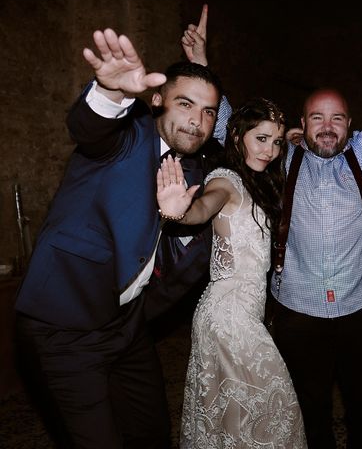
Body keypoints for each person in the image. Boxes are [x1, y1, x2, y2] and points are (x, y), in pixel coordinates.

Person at [182, 0, 362, 447]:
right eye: (316, 118)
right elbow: (236, 126)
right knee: (309, 417)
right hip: (297, 313)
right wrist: (203, 64)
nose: (327, 126)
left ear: (350, 125)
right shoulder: (282, 157)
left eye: (336, 118)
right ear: (303, 124)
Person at [14, 28, 229, 448]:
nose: (196, 120)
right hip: (65, 327)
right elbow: (89, 128)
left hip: (127, 326)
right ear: (156, 101)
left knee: (151, 433)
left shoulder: (191, 168)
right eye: (185, 104)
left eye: (208, 112)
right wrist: (109, 93)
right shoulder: (127, 137)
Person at [156, 97, 306, 448]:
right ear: (237, 137)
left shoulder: (260, 184)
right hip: (228, 317)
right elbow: (202, 208)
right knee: (276, 408)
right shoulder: (226, 180)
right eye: (261, 138)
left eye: (276, 142)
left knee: (237, 420)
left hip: (243, 313)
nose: (269, 150)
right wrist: (178, 211)